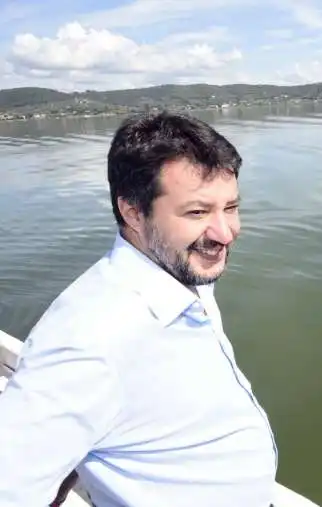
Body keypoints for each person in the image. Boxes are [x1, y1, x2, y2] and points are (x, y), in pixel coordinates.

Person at [0, 111, 279, 507]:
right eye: (197, 212)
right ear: (133, 212)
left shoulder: (182, 272)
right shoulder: (89, 341)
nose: (226, 232)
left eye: (231, 207)